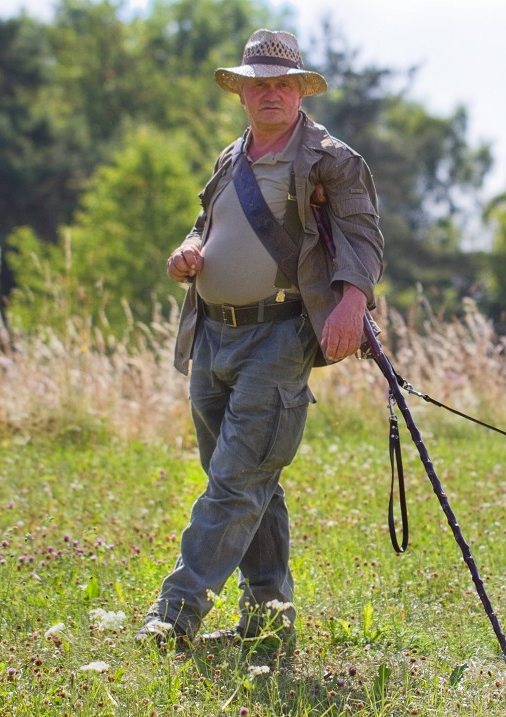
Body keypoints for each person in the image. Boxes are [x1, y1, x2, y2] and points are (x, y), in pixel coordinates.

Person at [136, 28, 384, 649]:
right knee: (252, 481)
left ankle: (176, 615)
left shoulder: (332, 159)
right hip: (212, 336)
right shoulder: (232, 157)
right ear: (242, 93)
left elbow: (363, 239)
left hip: (278, 336)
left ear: (300, 91)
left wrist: (351, 303)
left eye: (282, 84)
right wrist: (189, 250)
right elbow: (206, 223)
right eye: (258, 84)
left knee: (237, 481)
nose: (270, 93)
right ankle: (269, 616)